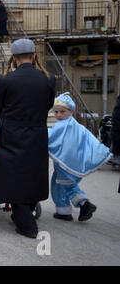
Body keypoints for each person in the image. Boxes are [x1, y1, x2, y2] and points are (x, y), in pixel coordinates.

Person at [0, 38, 56, 239]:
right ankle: (24, 211)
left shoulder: (5, 80)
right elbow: (48, 105)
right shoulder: (48, 79)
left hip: (12, 133)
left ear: (14, 58)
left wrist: (8, 121)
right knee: (32, 172)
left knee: (13, 174)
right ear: (34, 56)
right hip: (37, 133)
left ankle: (26, 222)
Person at [49, 93, 112, 221]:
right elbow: (89, 140)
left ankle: (67, 211)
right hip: (75, 165)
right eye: (56, 112)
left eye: (62, 111)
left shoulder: (61, 126)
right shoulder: (77, 126)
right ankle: (83, 205)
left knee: (60, 187)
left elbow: (49, 136)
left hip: (65, 167)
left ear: (71, 111)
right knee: (70, 186)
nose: (59, 115)